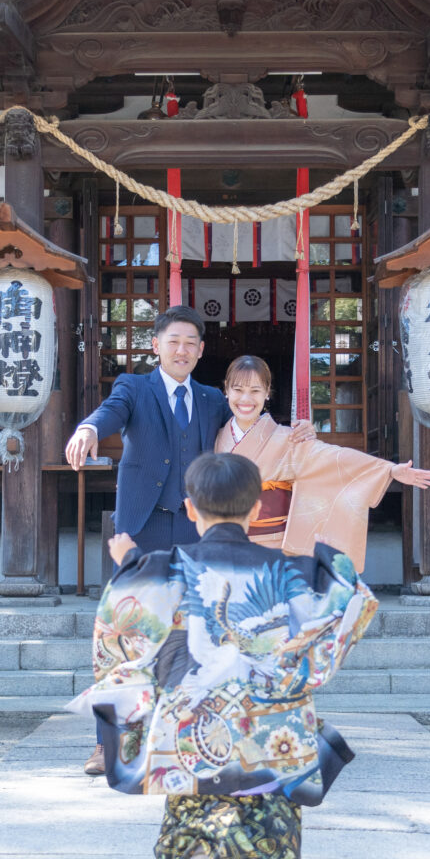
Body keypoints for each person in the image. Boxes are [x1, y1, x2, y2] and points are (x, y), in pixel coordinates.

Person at [68, 452, 377, 859]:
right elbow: (345, 601)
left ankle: (202, 848)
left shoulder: (170, 564)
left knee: (198, 791)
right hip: (268, 720)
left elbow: (129, 612)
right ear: (256, 509)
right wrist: (334, 563)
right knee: (272, 805)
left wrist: (127, 560)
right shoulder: (289, 569)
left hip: (196, 719)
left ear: (191, 509)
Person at [64, 309, 314, 774]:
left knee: (195, 632)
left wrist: (297, 431)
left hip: (199, 529)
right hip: (141, 528)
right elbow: (110, 413)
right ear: (156, 345)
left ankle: (189, 733)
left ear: (201, 351)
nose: (182, 350)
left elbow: (249, 423)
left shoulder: (212, 399)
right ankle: (108, 743)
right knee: (126, 632)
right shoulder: (134, 388)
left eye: (191, 343)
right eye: (173, 341)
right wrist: (89, 428)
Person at [215, 355, 430, 570]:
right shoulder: (216, 438)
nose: (246, 399)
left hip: (275, 545)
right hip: (227, 543)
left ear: (267, 393)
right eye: (238, 390)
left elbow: (335, 459)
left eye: (255, 391)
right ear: (226, 390)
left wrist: (389, 470)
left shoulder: (289, 438)